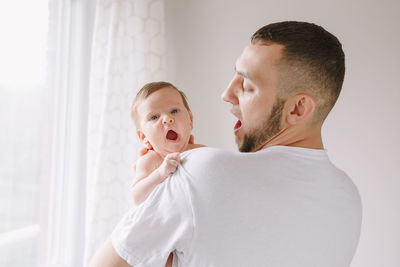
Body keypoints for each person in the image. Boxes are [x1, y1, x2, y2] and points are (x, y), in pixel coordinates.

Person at [89, 21, 362, 267]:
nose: (226, 94)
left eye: (247, 85)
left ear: (298, 109)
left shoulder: (199, 171)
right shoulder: (348, 198)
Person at [129, 81, 204, 267]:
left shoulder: (200, 152)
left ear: (191, 121)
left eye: (175, 111)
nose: (167, 119)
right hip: (160, 228)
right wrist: (159, 174)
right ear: (144, 137)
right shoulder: (151, 160)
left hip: (193, 226)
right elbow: (137, 196)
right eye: (154, 117)